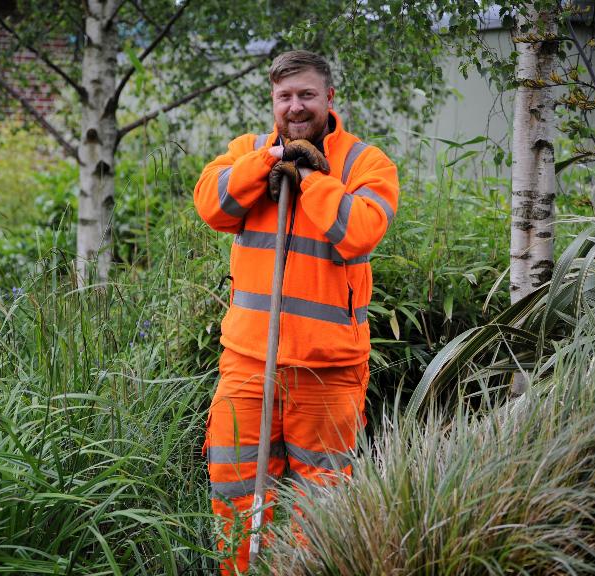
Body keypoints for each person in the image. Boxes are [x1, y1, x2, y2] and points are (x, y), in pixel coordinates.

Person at [193, 50, 399, 574]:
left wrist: (311, 176)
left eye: (306, 94)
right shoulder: (248, 151)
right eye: (284, 96)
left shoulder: (366, 164)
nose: (295, 106)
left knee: (322, 511)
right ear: (273, 101)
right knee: (235, 499)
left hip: (326, 372)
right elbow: (210, 205)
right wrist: (268, 163)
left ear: (329, 97)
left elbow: (359, 232)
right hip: (248, 365)